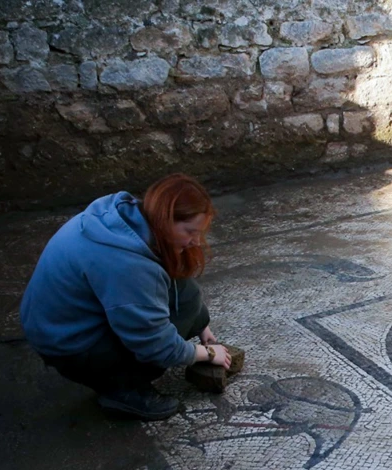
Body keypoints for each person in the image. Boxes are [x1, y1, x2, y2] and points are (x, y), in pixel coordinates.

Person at [20, 173, 235, 420]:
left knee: (184, 302)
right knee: (154, 342)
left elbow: (177, 280)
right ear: (165, 219)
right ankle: (121, 390)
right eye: (189, 231)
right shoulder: (129, 265)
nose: (196, 241)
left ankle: (121, 371)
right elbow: (155, 345)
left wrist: (201, 325)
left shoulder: (125, 219)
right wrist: (206, 354)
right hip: (68, 344)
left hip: (54, 323)